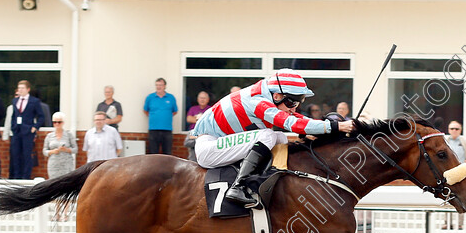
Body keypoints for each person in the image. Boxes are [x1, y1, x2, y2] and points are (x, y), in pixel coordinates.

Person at [192, 68, 355, 206]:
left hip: (219, 142)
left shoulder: (267, 94)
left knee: (280, 138)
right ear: (277, 96)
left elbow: (296, 118)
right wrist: (337, 126)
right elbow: (291, 122)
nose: (294, 108)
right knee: (268, 135)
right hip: (209, 148)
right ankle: (238, 187)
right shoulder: (259, 103)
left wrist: (320, 128)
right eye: (292, 103)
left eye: (299, 102)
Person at [9, 80, 43, 179]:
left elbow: (41, 117)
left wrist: (35, 127)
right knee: (15, 154)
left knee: (27, 155)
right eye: (19, 88)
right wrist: (13, 126)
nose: (20, 90)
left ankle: (26, 177)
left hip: (28, 131)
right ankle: (17, 177)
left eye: (22, 88)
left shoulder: (34, 101)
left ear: (28, 89)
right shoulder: (15, 100)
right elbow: (14, 116)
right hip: (16, 131)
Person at [143, 77, 177, 155]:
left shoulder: (171, 98)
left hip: (167, 129)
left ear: (165, 86)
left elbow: (175, 111)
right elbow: (145, 111)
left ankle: (167, 167)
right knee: (153, 153)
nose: (158, 87)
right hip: (153, 129)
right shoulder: (150, 97)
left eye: (160, 85)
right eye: (157, 85)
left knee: (167, 153)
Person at [43, 112, 77, 179]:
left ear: (63, 122)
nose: (57, 124)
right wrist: (52, 151)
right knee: (54, 183)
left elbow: (75, 149)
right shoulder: (49, 136)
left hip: (67, 164)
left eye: (59, 122)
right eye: (55, 122)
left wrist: (66, 150)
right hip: (53, 164)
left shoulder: (69, 135)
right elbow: (44, 151)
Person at [185, 91, 212, 161]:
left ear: (208, 99)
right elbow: (189, 119)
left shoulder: (211, 109)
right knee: (192, 151)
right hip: (193, 132)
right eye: (201, 98)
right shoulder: (193, 109)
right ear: (197, 99)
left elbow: (212, 121)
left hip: (206, 133)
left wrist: (197, 118)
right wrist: (203, 119)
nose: (202, 100)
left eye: (204, 98)